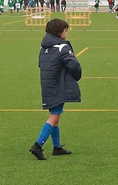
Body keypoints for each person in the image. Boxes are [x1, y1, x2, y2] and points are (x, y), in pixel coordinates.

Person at [31, 18, 81, 160]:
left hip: (48, 84)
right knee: (54, 116)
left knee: (56, 115)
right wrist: (75, 76)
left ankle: (57, 147)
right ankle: (37, 145)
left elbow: (41, 65)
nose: (67, 34)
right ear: (59, 33)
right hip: (58, 86)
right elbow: (74, 65)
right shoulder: (62, 47)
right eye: (66, 31)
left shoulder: (43, 47)